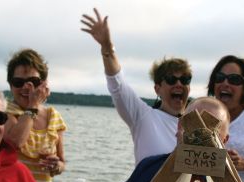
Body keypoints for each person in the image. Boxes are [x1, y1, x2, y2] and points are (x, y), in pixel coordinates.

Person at [81, 8, 192, 165]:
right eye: (171, 79)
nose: (179, 84)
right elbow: (117, 85)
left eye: (185, 79)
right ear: (157, 88)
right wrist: (107, 47)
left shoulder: (198, 128)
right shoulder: (143, 116)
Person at [115, 97, 230, 182]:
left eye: (210, 132)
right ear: (179, 126)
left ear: (224, 140)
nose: (198, 137)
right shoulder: (148, 167)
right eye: (192, 124)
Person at [4, 49, 67, 182]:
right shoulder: (5, 111)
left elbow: (61, 161)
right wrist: (33, 106)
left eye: (33, 82)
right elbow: (15, 142)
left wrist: (56, 165)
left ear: (44, 82)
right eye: (19, 82)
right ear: (11, 85)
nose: (26, 88)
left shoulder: (53, 117)